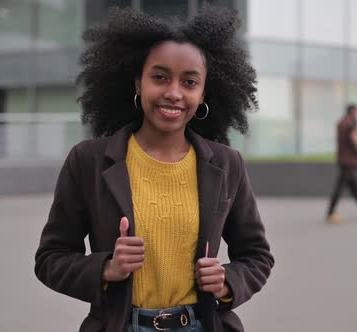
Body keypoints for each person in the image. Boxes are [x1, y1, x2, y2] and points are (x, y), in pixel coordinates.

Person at [34, 5, 274, 332]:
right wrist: (107, 268)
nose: (173, 93)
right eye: (159, 77)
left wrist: (226, 281)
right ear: (137, 83)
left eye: (189, 82)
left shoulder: (226, 164)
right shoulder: (87, 161)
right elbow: (51, 259)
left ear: (204, 92)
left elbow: (257, 255)